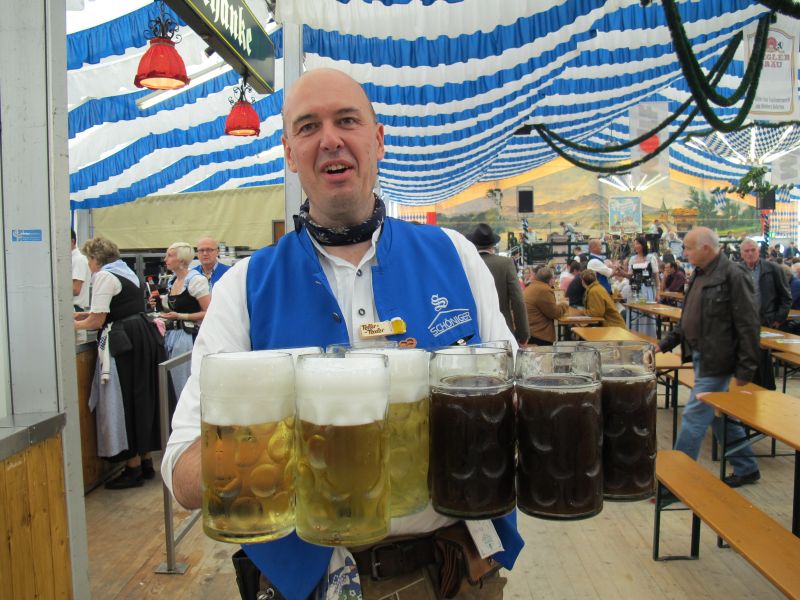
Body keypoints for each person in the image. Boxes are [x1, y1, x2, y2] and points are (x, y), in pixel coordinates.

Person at [162, 68, 523, 600]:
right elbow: (183, 474)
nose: (330, 138)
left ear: (378, 140)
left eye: (347, 121)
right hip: (309, 585)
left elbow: (516, 403)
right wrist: (281, 442)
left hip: (454, 571)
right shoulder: (243, 286)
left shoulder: (456, 256)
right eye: (308, 126)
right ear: (290, 153)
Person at [658, 227, 761, 488]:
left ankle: (676, 483)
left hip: (718, 361)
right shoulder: (700, 274)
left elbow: (749, 325)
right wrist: (666, 343)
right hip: (701, 357)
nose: (685, 253)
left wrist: (746, 370)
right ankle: (747, 467)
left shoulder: (733, 275)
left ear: (705, 248)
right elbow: (688, 317)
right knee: (717, 415)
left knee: (693, 418)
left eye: (688, 248)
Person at [74, 237, 166, 489]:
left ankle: (132, 467)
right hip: (140, 335)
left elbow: (97, 321)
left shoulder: (104, 276)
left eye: (89, 259)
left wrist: (70, 325)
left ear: (96, 259)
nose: (89, 265)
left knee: (124, 399)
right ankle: (146, 461)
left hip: (123, 342)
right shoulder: (126, 272)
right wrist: (81, 315)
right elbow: (115, 308)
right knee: (140, 397)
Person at [157, 242, 210, 398]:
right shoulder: (173, 281)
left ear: (181, 260)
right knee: (172, 381)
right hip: (172, 335)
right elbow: (175, 308)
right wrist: (160, 305)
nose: (165, 259)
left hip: (188, 337)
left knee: (183, 381)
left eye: (170, 255)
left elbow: (208, 312)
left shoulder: (196, 281)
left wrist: (181, 316)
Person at [739, 238, 792, 390]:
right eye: (746, 251)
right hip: (742, 322)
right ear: (741, 254)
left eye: (753, 250)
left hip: (765, 321)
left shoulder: (773, 269)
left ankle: (766, 391)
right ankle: (744, 393)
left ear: (758, 251)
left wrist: (778, 319)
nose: (750, 254)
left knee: (762, 360)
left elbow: (786, 298)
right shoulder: (736, 270)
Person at [468, 223, 530, 345]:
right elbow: (518, 300)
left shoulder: (467, 264)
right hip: (502, 329)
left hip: (474, 329)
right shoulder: (505, 263)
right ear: (493, 245)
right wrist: (523, 333)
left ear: (473, 244)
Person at [523, 266, 568, 345]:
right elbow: (555, 313)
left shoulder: (531, 287)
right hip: (539, 334)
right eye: (554, 278)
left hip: (529, 330)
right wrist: (564, 304)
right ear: (550, 280)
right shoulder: (544, 290)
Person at [627, 235, 660, 336]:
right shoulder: (632, 259)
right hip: (634, 289)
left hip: (646, 289)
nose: (635, 246)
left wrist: (658, 292)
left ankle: (647, 335)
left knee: (646, 314)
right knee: (634, 313)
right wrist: (620, 272)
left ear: (643, 245)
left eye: (637, 244)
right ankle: (634, 335)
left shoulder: (651, 257)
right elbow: (629, 275)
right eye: (634, 244)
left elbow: (656, 276)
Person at [71, 229, 91, 311]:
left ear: (72, 241)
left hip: (75, 308)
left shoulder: (78, 259)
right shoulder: (69, 259)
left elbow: (76, 290)